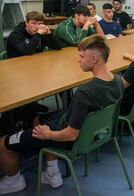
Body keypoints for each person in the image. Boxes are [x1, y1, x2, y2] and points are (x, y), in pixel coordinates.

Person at [0, 35, 123, 194]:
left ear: (93, 59)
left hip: (68, 138)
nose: (78, 60)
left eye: (81, 56)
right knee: (41, 119)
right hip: (95, 135)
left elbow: (71, 135)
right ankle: (52, 173)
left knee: (2, 143)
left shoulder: (85, 93)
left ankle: (14, 181)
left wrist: (48, 134)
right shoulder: (119, 80)